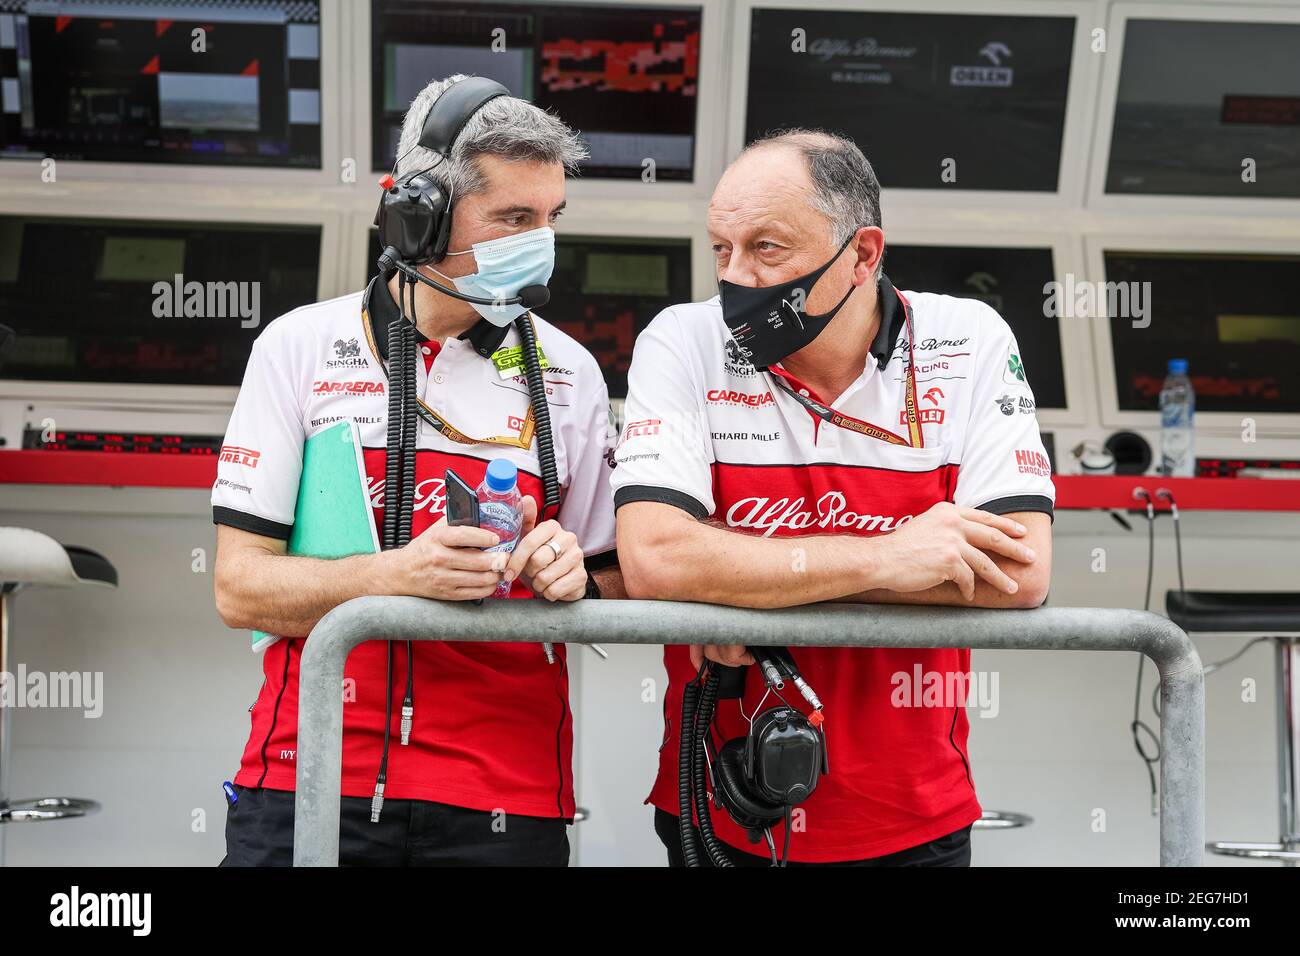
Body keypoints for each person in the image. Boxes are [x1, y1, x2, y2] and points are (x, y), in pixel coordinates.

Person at [613, 129, 1054, 866]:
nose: (738, 280)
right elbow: (656, 561)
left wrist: (734, 579)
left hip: (912, 813)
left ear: (863, 254)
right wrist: (893, 558)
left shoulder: (967, 338)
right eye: (723, 250)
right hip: (724, 804)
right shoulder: (682, 340)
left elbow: (1020, 571)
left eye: (768, 249)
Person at [212, 75, 620, 866]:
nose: (540, 243)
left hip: (505, 793)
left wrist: (575, 574)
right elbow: (239, 588)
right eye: (512, 219)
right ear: (418, 213)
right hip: (308, 775)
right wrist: (397, 575)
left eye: (549, 220)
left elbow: (619, 578)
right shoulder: (297, 347)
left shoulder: (571, 372)